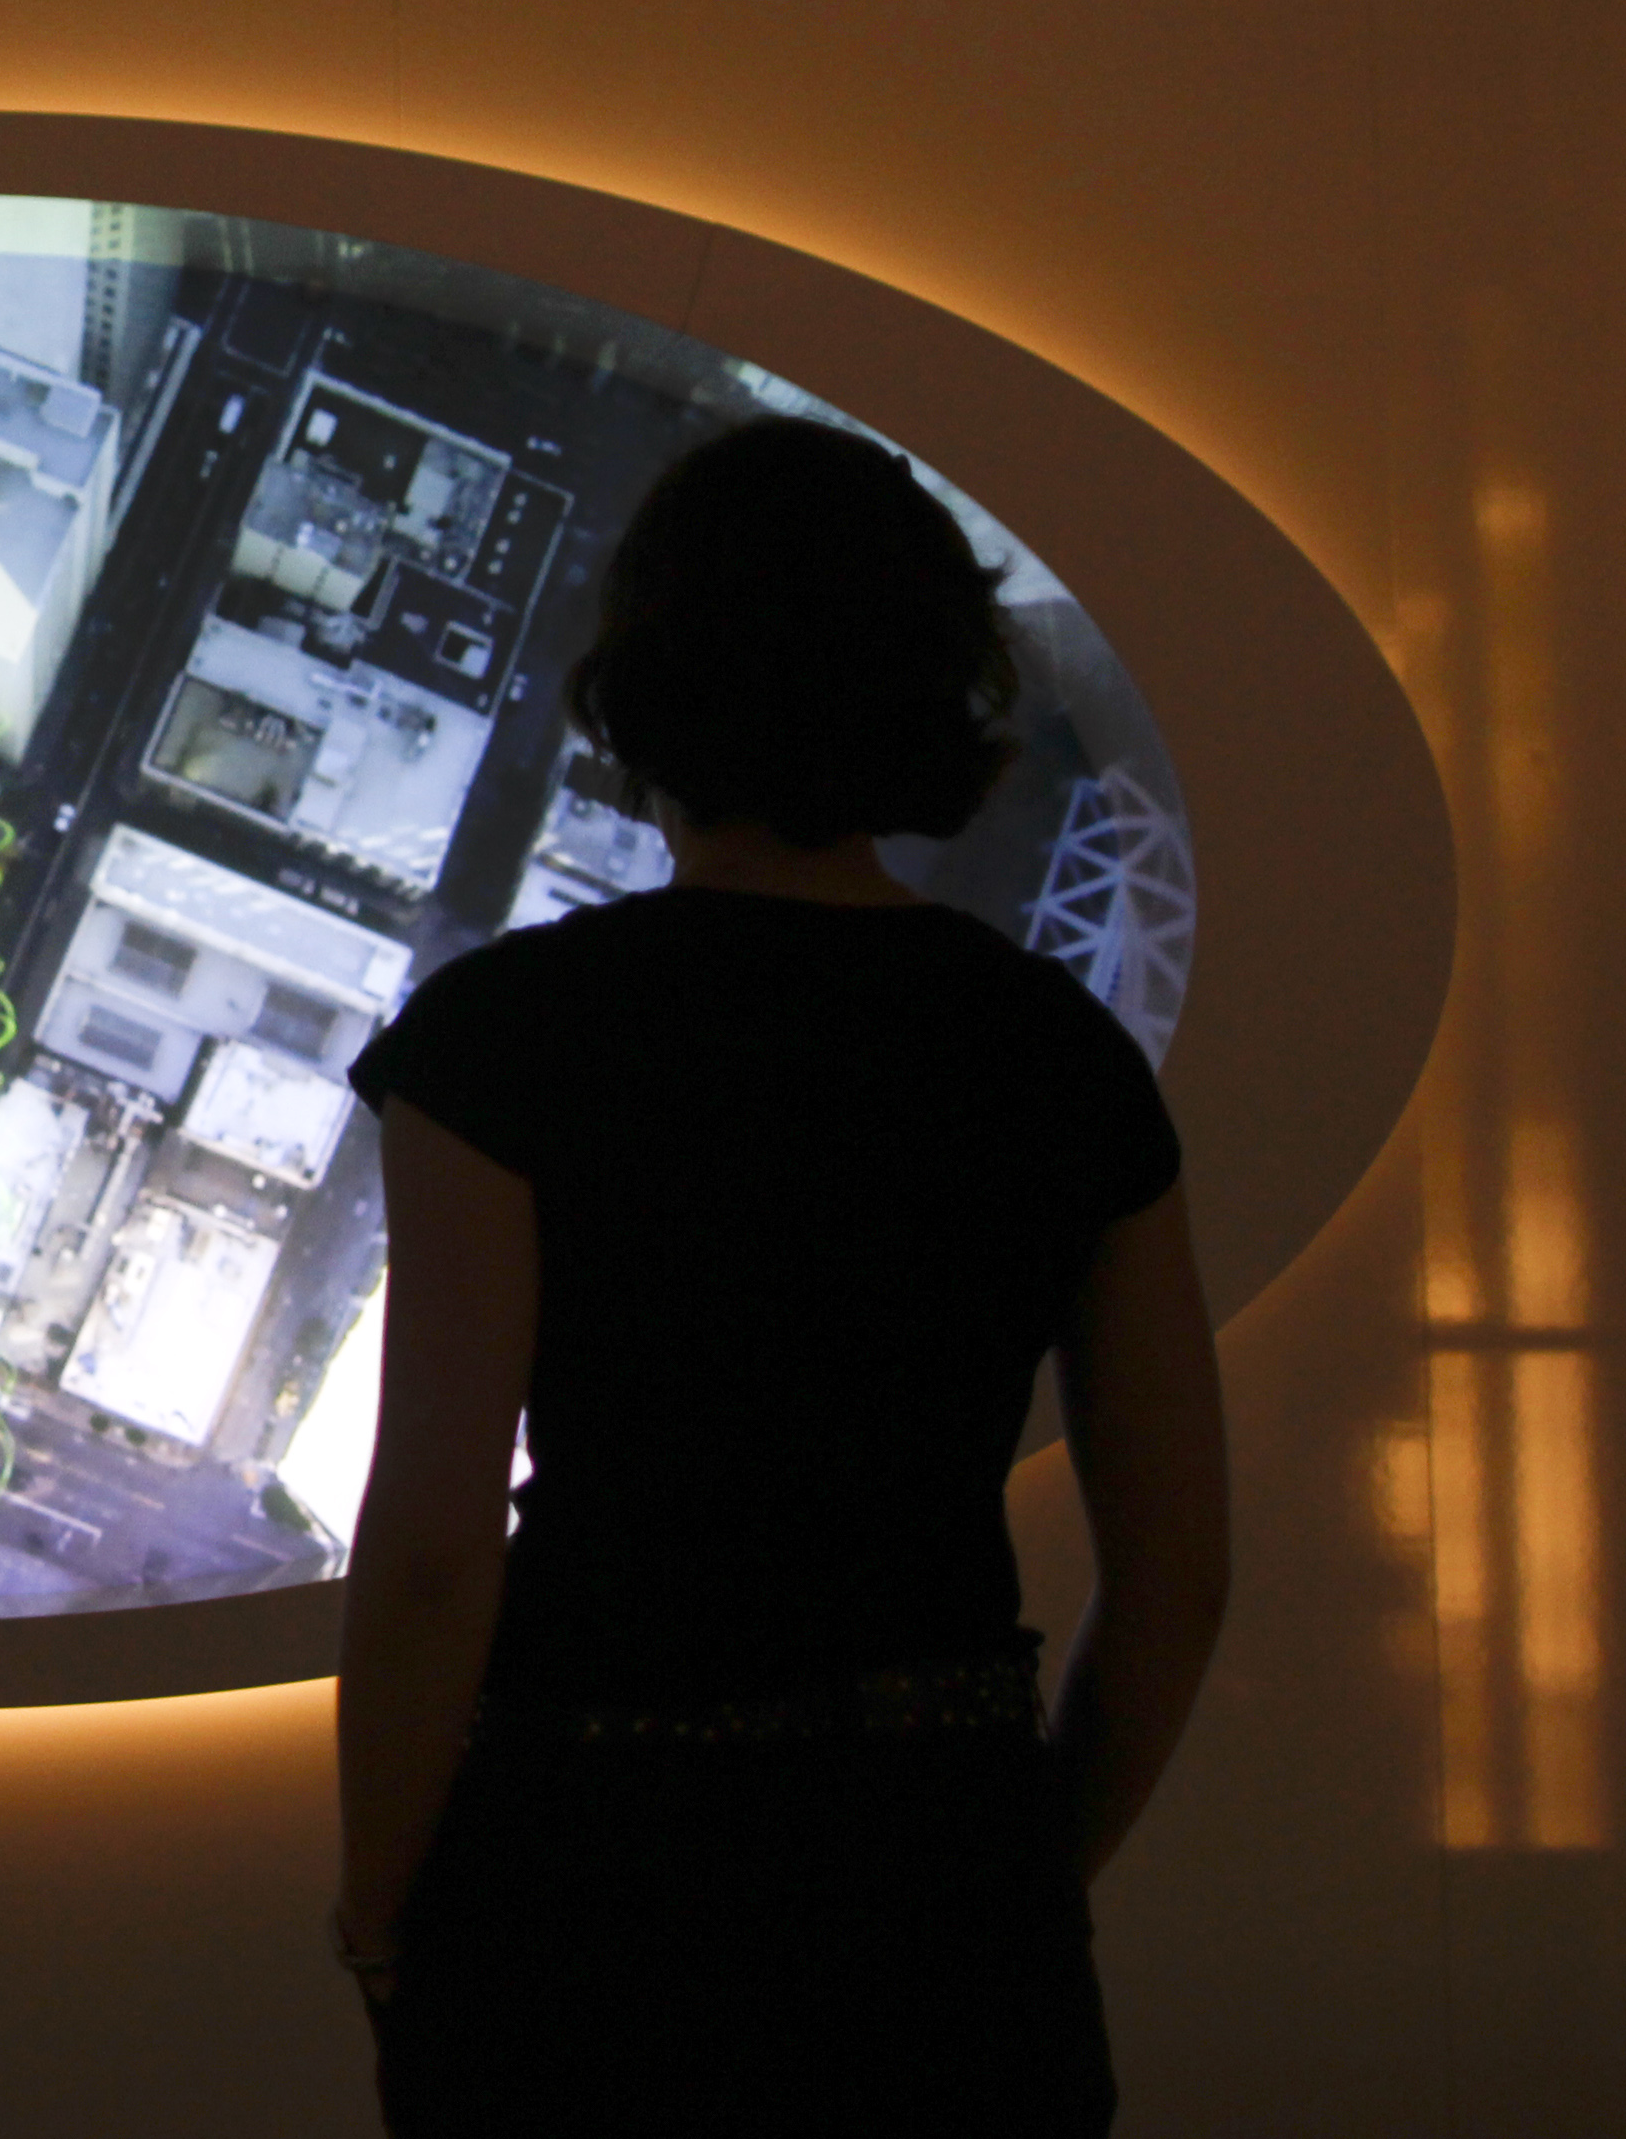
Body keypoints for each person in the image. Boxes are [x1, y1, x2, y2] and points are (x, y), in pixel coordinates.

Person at [331, 418, 1228, 2136]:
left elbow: (440, 1546)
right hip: (942, 1875)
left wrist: (383, 1912)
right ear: (933, 684)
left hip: (588, 1877)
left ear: (649, 679)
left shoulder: (505, 1039)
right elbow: (1176, 1581)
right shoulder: (1064, 1063)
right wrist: (1020, 1874)